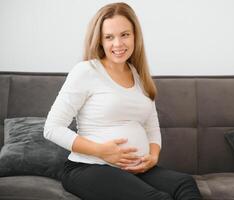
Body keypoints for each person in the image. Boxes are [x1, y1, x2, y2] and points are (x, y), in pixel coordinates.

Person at [44, 2, 202, 200]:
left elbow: (151, 125)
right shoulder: (86, 71)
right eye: (109, 37)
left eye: (125, 35)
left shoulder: (139, 75)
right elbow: (51, 128)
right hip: (89, 167)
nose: (117, 44)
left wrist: (153, 156)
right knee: (156, 197)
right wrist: (102, 151)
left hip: (135, 169)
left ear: (135, 35)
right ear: (100, 41)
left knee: (185, 184)